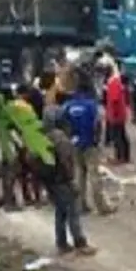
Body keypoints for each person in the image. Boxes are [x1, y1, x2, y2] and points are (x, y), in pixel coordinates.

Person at [37, 107, 95, 255]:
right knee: (72, 210)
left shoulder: (42, 137)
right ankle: (80, 243)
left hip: (49, 180)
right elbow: (65, 162)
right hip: (61, 179)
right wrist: (71, 180)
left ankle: (61, 242)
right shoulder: (60, 138)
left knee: (60, 211)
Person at [61, 78, 111, 214]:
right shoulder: (91, 106)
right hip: (89, 144)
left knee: (79, 175)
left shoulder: (67, 106)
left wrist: (70, 139)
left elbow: (63, 124)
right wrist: (97, 140)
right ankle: (101, 206)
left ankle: (80, 205)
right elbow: (98, 124)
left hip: (74, 144)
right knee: (94, 176)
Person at [104, 65, 130, 164]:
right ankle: (125, 156)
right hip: (120, 113)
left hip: (116, 114)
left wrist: (113, 115)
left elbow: (114, 100)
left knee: (117, 136)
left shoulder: (112, 83)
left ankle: (120, 157)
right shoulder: (116, 81)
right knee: (122, 135)